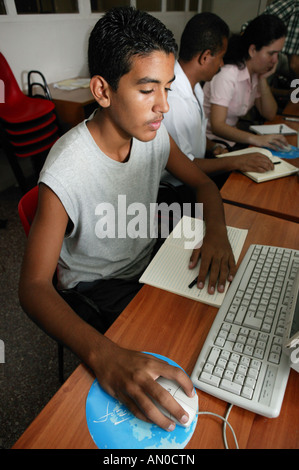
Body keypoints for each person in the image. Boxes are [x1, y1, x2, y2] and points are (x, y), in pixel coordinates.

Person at [18, 7, 236, 431]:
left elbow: (206, 187)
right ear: (103, 90)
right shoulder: (66, 170)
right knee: (178, 368)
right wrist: (105, 355)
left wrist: (218, 234)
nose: (163, 106)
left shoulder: (152, 133)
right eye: (147, 89)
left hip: (148, 260)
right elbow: (32, 287)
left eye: (168, 89)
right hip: (101, 288)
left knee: (215, 323)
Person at [161, 12, 275, 195]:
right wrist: (236, 160)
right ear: (205, 57)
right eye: (221, 57)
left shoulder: (194, 85)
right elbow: (185, 165)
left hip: (195, 172)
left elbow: (193, 135)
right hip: (176, 188)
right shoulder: (174, 100)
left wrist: (213, 146)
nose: (222, 64)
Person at [203, 14, 289, 149]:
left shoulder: (254, 73)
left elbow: (270, 114)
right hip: (213, 145)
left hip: (232, 140)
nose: (275, 60)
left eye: (278, 54)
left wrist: (263, 79)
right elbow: (217, 126)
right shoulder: (228, 74)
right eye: (271, 53)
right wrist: (256, 139)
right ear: (253, 50)